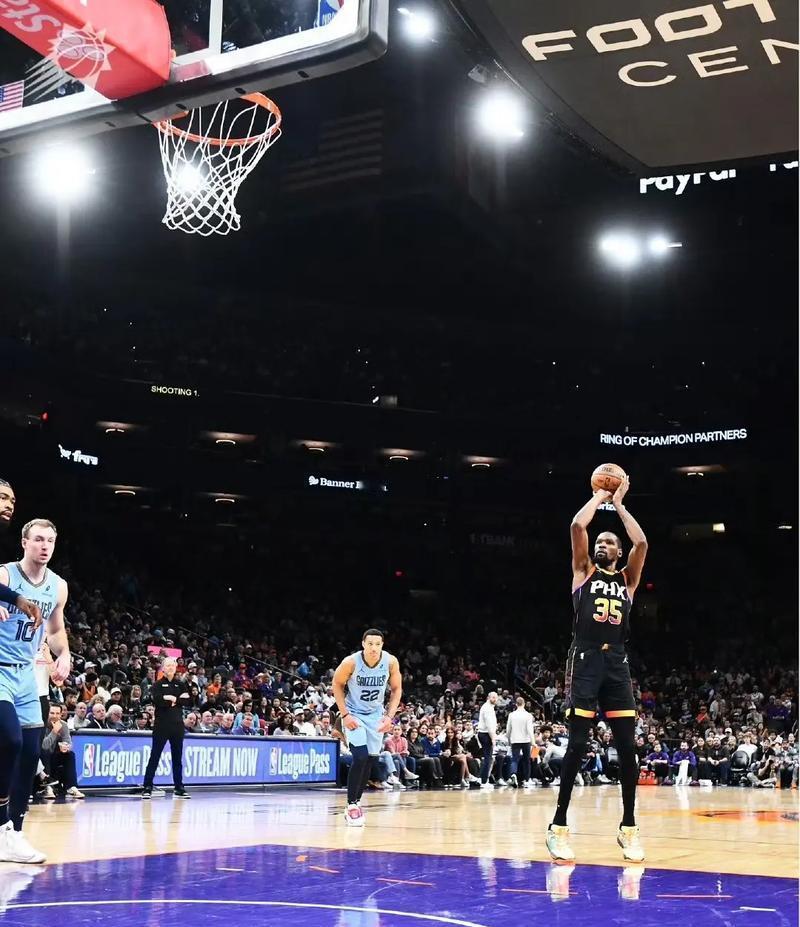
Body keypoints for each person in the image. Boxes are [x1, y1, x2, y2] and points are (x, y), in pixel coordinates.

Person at [546, 476, 648, 864]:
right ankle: (558, 827)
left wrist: (619, 505)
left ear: (619, 552)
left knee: (628, 749)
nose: (602, 545)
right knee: (577, 745)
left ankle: (629, 829)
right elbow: (577, 525)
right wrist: (599, 497)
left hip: (617, 663)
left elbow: (642, 543)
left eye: (609, 542)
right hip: (585, 659)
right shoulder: (583, 571)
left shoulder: (628, 579)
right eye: (599, 542)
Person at [0, 516, 69, 865]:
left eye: (50, 541)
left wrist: (64, 654)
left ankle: (13, 833)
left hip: (27, 673)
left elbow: (55, 631)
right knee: (10, 740)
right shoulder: (5, 575)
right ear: (24, 542)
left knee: (30, 754)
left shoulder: (58, 586)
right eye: (38, 539)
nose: (45, 546)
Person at [332, 628, 402, 826]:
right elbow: (336, 684)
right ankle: (351, 806)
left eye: (377, 644)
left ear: (382, 645)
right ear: (363, 644)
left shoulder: (390, 662)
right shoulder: (351, 662)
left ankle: (357, 801)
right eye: (370, 644)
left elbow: (397, 689)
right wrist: (345, 715)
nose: (373, 648)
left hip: (375, 715)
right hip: (354, 713)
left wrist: (389, 717)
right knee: (360, 756)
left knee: (370, 759)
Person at [141, 657, 191, 799]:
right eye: (168, 665)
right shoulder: (157, 684)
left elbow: (188, 700)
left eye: (172, 665)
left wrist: (172, 698)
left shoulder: (180, 684)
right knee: (155, 756)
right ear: (163, 668)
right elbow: (158, 700)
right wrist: (174, 700)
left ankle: (179, 787)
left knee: (177, 757)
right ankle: (147, 786)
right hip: (161, 725)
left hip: (177, 725)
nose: (170, 668)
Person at [40, 703, 85, 799]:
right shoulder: (41, 725)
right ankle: (47, 787)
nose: (54, 716)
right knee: (45, 753)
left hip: (55, 757)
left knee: (70, 755)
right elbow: (44, 746)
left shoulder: (63, 725)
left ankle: (71, 787)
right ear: (47, 713)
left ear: (61, 714)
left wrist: (66, 747)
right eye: (52, 713)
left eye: (57, 713)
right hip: (42, 759)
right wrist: (54, 732)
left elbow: (68, 742)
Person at [507, 696, 535, 788]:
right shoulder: (528, 715)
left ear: (516, 704)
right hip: (526, 740)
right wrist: (533, 742)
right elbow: (530, 729)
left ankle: (513, 774)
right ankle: (527, 780)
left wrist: (509, 739)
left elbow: (508, 729)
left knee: (514, 759)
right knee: (527, 761)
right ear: (524, 704)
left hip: (515, 740)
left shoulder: (511, 715)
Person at [477, 691, 498, 787]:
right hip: (486, 734)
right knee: (488, 758)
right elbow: (489, 725)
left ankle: (481, 779)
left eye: (496, 697)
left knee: (487, 758)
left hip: (485, 733)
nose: (495, 699)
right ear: (488, 697)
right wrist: (493, 738)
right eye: (493, 697)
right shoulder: (487, 708)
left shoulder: (489, 707)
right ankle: (484, 781)